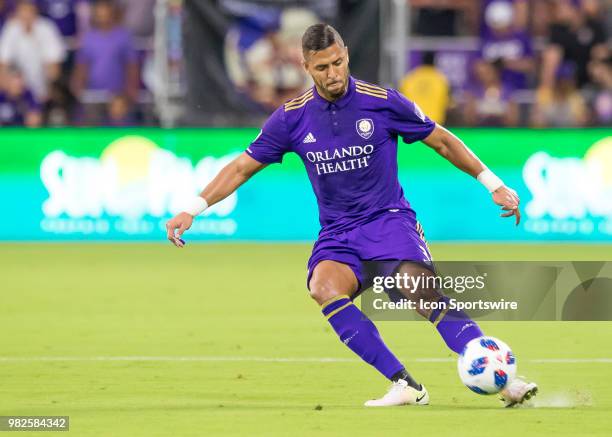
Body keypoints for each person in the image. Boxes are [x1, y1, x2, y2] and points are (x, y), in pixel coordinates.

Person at [165, 24, 537, 407]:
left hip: (389, 220)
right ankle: (405, 384)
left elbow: (441, 140)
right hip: (339, 232)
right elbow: (242, 167)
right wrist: (193, 208)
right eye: (323, 67)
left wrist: (492, 183)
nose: (334, 73)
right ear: (306, 66)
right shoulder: (291, 118)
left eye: (338, 62)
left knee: (419, 292)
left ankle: (503, 379)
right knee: (322, 288)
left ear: (345, 54)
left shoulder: (382, 101)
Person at [70, 0, 139, 123]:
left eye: (105, 13)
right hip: (93, 94)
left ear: (112, 14)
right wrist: (78, 87)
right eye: (99, 14)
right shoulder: (88, 37)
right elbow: (82, 65)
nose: (102, 17)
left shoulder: (123, 36)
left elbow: (131, 64)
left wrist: (130, 89)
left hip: (118, 95)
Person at [0, 0, 65, 101]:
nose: (25, 14)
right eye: (22, 10)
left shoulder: (47, 28)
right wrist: (6, 90)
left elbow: (54, 68)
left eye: (29, 10)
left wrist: (49, 92)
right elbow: (3, 64)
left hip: (42, 88)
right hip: (17, 90)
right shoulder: (11, 27)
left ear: (36, 11)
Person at [464, 59, 519, 126]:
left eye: (487, 73)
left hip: (503, 131)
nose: (484, 76)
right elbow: (469, 119)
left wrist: (498, 115)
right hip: (479, 130)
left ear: (495, 72)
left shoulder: (507, 91)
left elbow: (513, 119)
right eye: (481, 74)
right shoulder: (474, 92)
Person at [399, 51, 449, 124]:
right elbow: (446, 102)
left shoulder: (410, 77)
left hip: (412, 121)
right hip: (434, 124)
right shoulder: (440, 79)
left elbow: (401, 100)